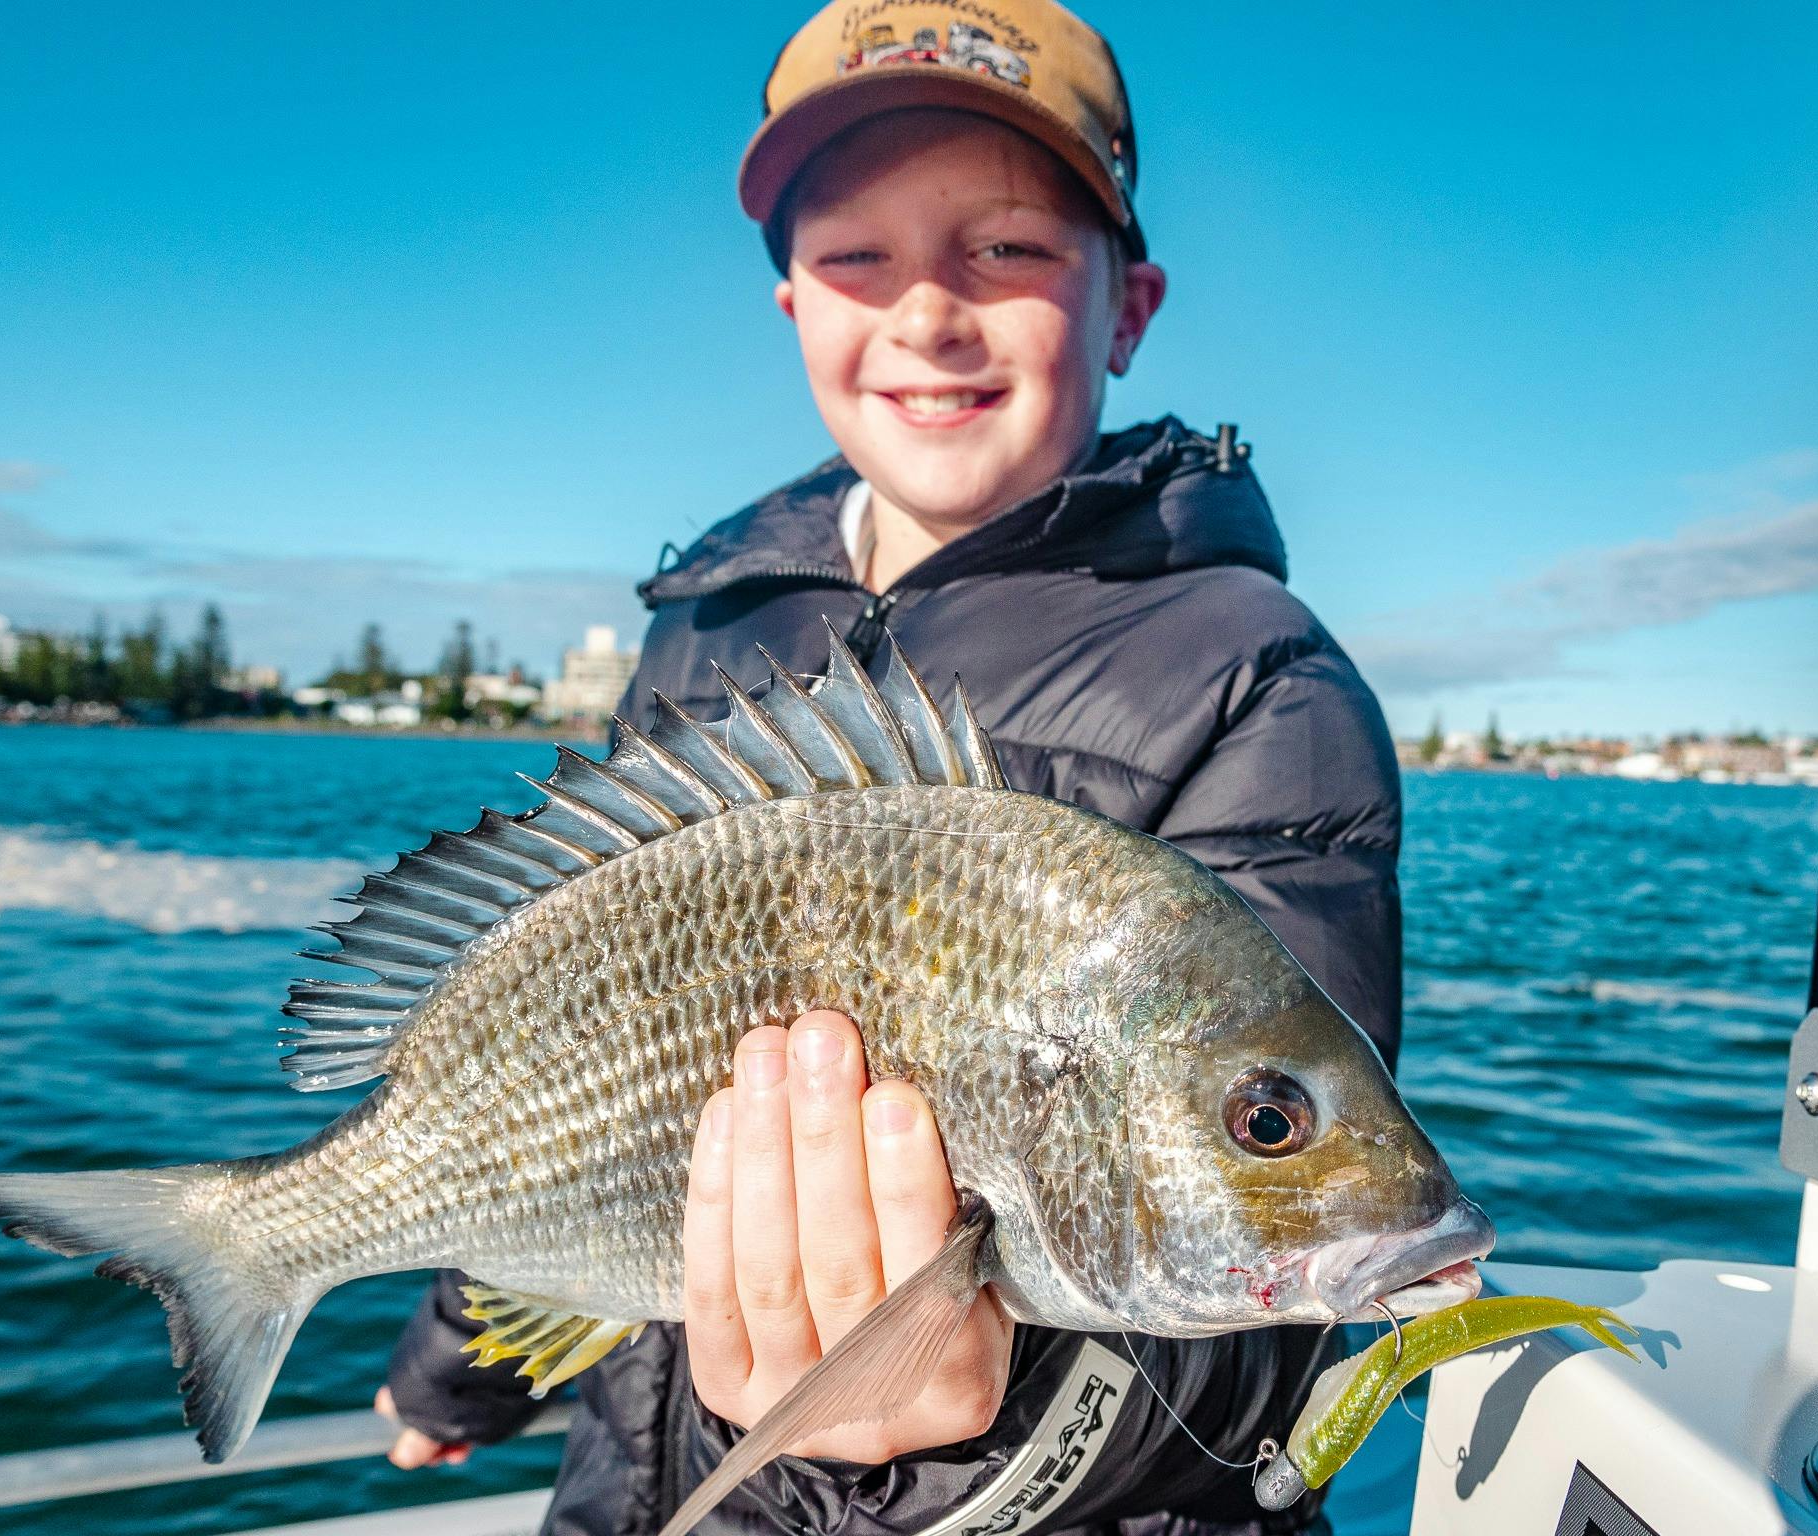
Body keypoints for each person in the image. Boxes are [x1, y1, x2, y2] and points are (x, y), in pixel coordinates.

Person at [377, 3, 1403, 1531]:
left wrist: (965, 1422)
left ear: (1131, 308)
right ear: (793, 306)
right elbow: (553, 1081)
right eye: (860, 256)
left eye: (1007, 250)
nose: (929, 313)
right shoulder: (701, 636)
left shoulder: (1257, 677)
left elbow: (1259, 1338)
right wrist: (458, 1368)